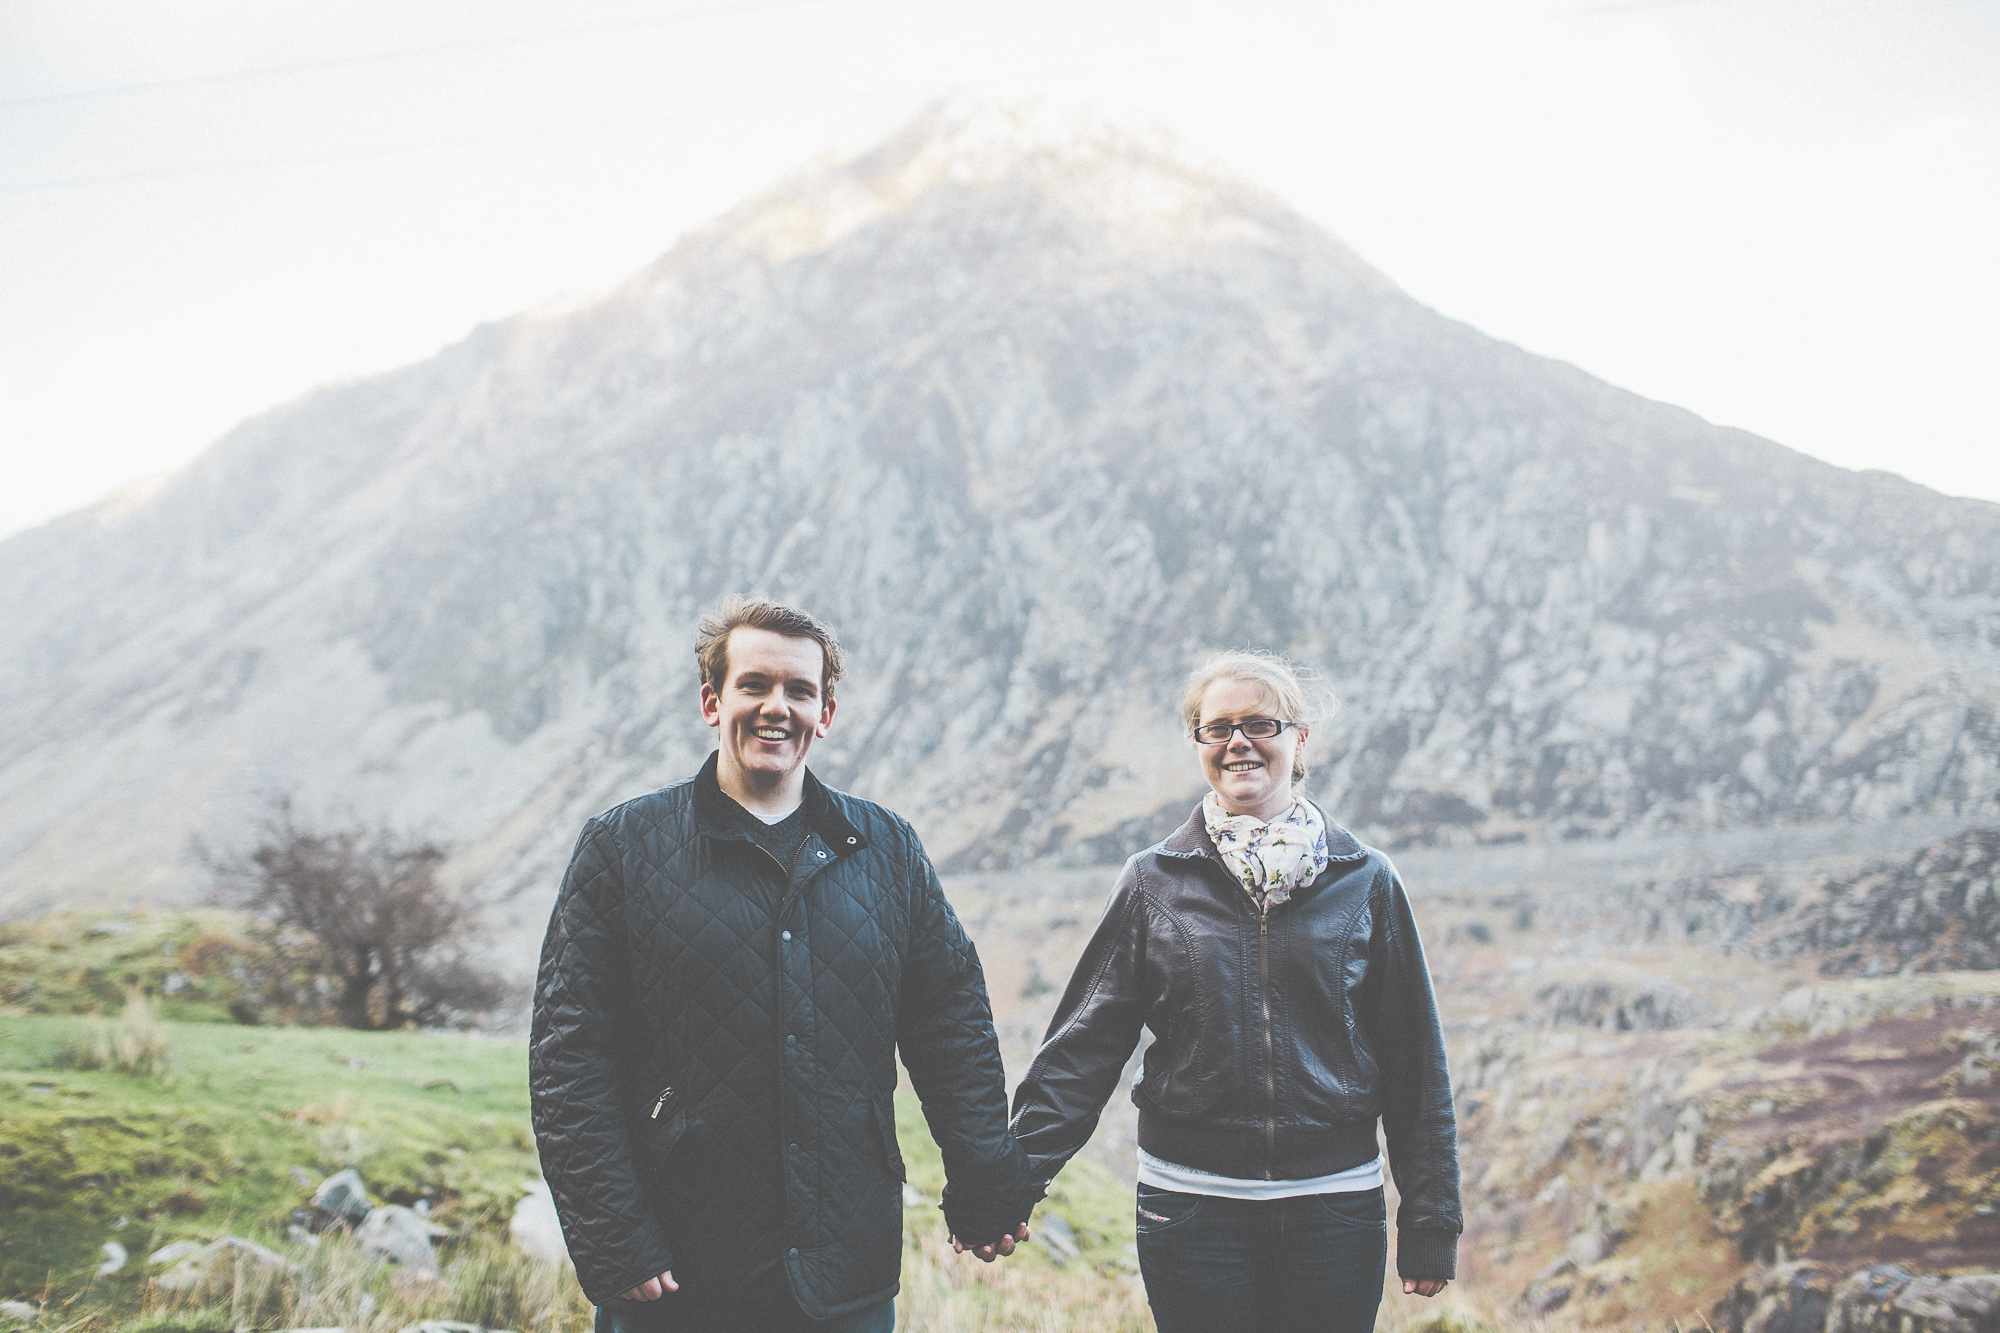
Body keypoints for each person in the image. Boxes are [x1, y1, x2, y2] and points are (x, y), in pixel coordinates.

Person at [530, 597, 1040, 1332]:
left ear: (825, 714)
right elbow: (568, 1058)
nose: (778, 707)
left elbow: (949, 1021)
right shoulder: (623, 847)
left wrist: (986, 1180)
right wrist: (612, 1237)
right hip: (676, 1272)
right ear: (713, 701)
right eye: (755, 684)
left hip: (846, 1268)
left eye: (800, 691)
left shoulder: (888, 849)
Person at [1009, 650, 1462, 1333]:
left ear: (1298, 737)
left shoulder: (1366, 878)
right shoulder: (1152, 882)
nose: (1238, 742)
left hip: (1334, 1208)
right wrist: (1009, 1185)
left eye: (1260, 723)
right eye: (1217, 727)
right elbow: (1084, 1048)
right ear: (1198, 743)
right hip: (1191, 1209)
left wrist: (1430, 1218)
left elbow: (1414, 1060)